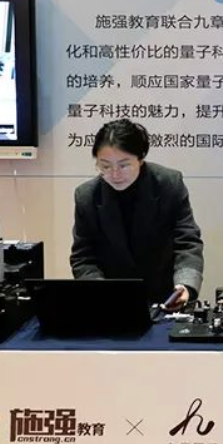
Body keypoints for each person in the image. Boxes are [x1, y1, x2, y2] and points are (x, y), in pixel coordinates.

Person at [70, 119, 203, 310]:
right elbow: (83, 257)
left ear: (140, 159)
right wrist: (99, 290)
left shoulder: (169, 184)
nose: (115, 174)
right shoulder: (87, 196)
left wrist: (185, 285)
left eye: (124, 165)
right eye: (105, 166)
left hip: (167, 300)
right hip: (111, 303)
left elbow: (187, 242)